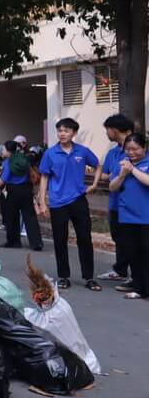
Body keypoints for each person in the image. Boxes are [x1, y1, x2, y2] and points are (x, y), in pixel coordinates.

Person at [38, 117, 102, 291]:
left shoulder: (82, 151)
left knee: (85, 239)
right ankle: (63, 277)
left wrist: (94, 184)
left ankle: (89, 277)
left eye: (66, 130)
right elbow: (44, 177)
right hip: (58, 202)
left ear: (74, 133)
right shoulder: (50, 153)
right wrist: (42, 201)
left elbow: (98, 165)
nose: (62, 134)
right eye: (59, 130)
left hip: (79, 200)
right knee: (60, 240)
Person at [108, 133, 149, 300]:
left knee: (146, 253)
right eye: (128, 149)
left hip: (146, 217)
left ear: (144, 148)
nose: (131, 153)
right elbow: (112, 187)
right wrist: (123, 174)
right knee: (133, 254)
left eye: (135, 149)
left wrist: (133, 170)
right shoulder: (122, 164)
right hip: (127, 216)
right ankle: (139, 288)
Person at [96, 114, 135, 283]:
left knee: (132, 240)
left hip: (133, 204)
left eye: (107, 130)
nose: (106, 133)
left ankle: (137, 276)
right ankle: (120, 270)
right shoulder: (112, 153)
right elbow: (105, 175)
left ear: (115, 130)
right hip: (115, 203)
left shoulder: (137, 151)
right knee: (119, 238)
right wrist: (112, 175)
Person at [0, 140, 42, 250]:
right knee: (30, 216)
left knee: (12, 216)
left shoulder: (8, 161)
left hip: (13, 190)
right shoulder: (23, 158)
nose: (2, 151)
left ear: (8, 151)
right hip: (26, 189)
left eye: (4, 149)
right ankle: (36, 242)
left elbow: (3, 179)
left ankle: (13, 241)